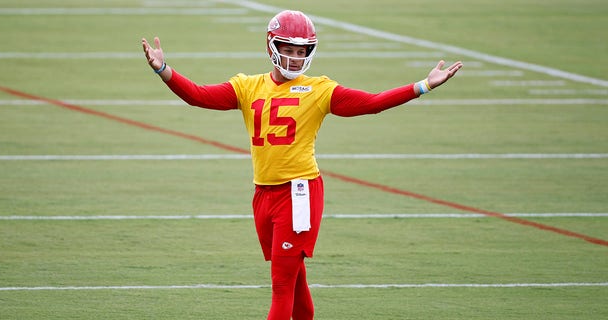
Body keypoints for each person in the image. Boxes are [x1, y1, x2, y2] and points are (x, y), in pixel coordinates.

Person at [142, 9, 462, 320]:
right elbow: (197, 95)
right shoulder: (247, 86)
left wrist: (424, 85)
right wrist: (163, 69)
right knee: (296, 283)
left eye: (301, 50)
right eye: (288, 49)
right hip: (263, 194)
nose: (295, 57)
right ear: (272, 46)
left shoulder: (319, 89)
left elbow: (372, 103)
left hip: (299, 195)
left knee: (281, 289)